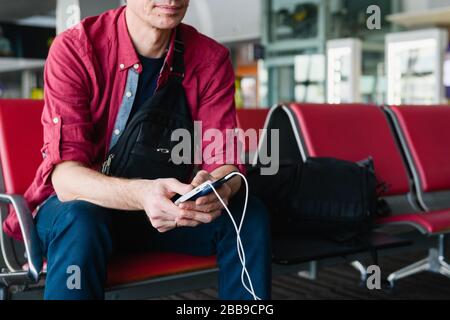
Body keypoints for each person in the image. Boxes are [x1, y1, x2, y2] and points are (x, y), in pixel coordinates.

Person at [3, 0, 271, 300]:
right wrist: (143, 194)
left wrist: (218, 188)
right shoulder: (76, 49)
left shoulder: (209, 59)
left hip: (167, 209)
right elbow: (66, 180)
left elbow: (227, 162)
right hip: (82, 208)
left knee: (247, 214)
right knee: (81, 219)